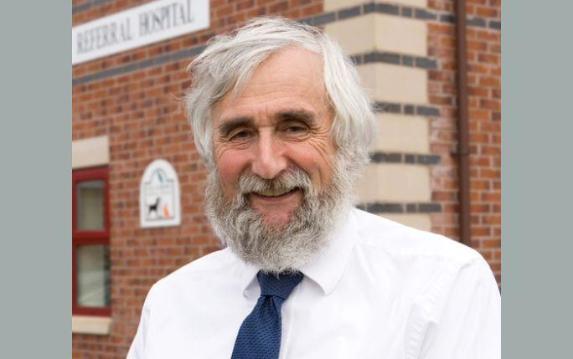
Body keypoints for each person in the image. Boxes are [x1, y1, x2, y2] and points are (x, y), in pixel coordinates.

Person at [128, 17, 500, 359]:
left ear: (345, 140)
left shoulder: (442, 287)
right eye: (240, 133)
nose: (268, 164)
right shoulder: (170, 304)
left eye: (295, 127)